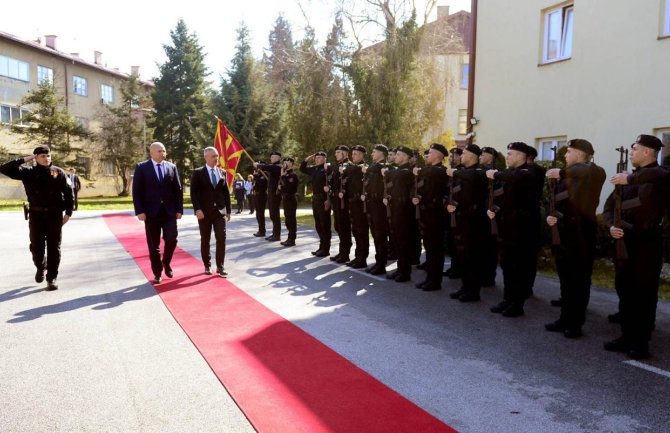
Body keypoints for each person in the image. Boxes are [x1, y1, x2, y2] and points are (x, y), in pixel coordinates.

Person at [603, 134, 670, 359]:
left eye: (635, 149)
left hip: (647, 242)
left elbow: (661, 173)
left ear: (648, 152)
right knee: (625, 290)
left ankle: (641, 343)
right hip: (624, 240)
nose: (631, 153)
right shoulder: (628, 178)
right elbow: (610, 206)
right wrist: (611, 225)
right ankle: (626, 336)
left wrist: (630, 180)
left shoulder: (658, 176)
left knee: (643, 293)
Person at [544, 139, 606, 338]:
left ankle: (575, 323)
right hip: (562, 233)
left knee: (579, 281)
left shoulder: (594, 172)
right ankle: (564, 318)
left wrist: (561, 173)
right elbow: (554, 201)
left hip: (581, 235)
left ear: (581, 154)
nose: (565, 155)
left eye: (569, 152)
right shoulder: (567, 174)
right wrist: (551, 215)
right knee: (566, 280)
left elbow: (587, 172)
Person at [0, 145, 73, 291]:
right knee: (36, 247)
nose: (47, 159)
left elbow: (69, 193)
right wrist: (26, 158)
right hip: (36, 215)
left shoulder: (59, 172)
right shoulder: (28, 173)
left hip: (54, 215)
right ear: (36, 158)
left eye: (48, 156)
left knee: (54, 247)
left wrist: (68, 213)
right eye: (42, 156)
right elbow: (3, 169)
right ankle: (41, 266)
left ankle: (51, 278)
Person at [486, 142, 539, 317]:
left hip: (522, 229)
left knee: (519, 268)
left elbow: (516, 177)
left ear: (521, 156)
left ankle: (517, 304)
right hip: (506, 227)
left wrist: (496, 174)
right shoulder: (508, 175)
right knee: (507, 266)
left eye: (510, 154)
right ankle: (508, 299)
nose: (507, 157)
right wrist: (494, 209)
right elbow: (504, 198)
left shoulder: (528, 172)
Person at [132, 142, 184, 284]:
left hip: (169, 212)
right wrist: (140, 211)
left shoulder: (171, 167)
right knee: (153, 245)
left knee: (172, 238)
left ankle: (166, 262)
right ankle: (157, 272)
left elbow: (177, 190)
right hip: (150, 213)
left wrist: (179, 209)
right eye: (159, 151)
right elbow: (136, 191)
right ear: (152, 153)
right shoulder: (142, 168)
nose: (163, 153)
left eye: (164, 151)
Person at [446, 144, 488, 300]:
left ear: (472, 156)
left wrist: (456, 172)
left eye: (463, 154)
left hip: (473, 221)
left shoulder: (478, 172)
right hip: (460, 219)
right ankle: (465, 287)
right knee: (462, 255)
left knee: (472, 257)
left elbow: (472, 176)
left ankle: (473, 291)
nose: (460, 157)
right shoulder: (462, 173)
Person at [190, 147, 232, 277]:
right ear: (206, 157)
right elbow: (194, 193)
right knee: (205, 239)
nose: (216, 158)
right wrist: (197, 209)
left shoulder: (222, 172)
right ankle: (207, 265)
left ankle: (220, 266)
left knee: (221, 238)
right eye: (213, 156)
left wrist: (228, 210)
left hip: (219, 212)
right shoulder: (198, 173)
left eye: (217, 155)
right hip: (204, 212)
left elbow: (226, 193)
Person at [412, 143, 448, 291]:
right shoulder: (428, 171)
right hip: (426, 213)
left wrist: (418, 171)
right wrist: (418, 197)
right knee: (429, 247)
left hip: (436, 215)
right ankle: (430, 278)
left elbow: (430, 173)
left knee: (435, 249)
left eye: (431, 153)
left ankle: (435, 281)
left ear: (439, 156)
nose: (427, 155)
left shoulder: (440, 171)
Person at [383, 146, 415, 282]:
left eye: (398, 155)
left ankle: (405, 272)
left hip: (404, 211)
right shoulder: (397, 170)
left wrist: (387, 172)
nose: (395, 157)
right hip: (395, 208)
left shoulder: (408, 170)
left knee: (403, 242)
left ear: (405, 157)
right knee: (397, 241)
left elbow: (398, 175)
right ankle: (400, 269)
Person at [362, 144, 390, 275]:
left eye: (374, 152)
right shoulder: (373, 168)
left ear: (381, 153)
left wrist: (367, 169)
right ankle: (378, 262)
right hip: (371, 203)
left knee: (380, 235)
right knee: (375, 234)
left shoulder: (383, 167)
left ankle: (381, 264)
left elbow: (372, 170)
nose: (372, 154)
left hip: (379, 205)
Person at [341, 145, 369, 268]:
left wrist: (346, 169)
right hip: (352, 203)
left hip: (360, 204)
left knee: (362, 231)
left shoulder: (363, 167)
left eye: (356, 154)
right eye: (352, 154)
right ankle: (358, 257)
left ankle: (362, 258)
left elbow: (351, 169)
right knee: (356, 231)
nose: (353, 156)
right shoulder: (352, 168)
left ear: (362, 155)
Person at [300, 151, 332, 257]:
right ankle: (321, 247)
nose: (317, 159)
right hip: (315, 200)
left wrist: (329, 195)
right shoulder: (314, 169)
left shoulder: (327, 169)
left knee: (324, 225)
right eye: (316, 157)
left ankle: (326, 249)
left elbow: (333, 182)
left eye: (320, 158)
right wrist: (308, 158)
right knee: (318, 225)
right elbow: (302, 168)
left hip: (324, 200)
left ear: (324, 159)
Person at [330, 145, 353, 263]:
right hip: (337, 202)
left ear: (344, 153)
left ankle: (345, 254)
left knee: (344, 228)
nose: (336, 154)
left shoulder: (349, 166)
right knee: (338, 227)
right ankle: (341, 252)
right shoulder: (336, 166)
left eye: (338, 152)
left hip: (345, 202)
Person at [255, 152, 282, 241]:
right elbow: (268, 168)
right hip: (271, 193)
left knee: (275, 214)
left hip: (275, 193)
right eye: (271, 157)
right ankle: (274, 234)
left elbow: (267, 167)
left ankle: (277, 235)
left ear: (278, 158)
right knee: (272, 214)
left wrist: (258, 165)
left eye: (273, 157)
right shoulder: (272, 167)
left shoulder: (278, 166)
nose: (271, 158)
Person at [278, 157, 299, 246]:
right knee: (287, 220)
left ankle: (292, 239)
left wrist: (282, 183)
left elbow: (289, 188)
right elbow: (279, 189)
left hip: (291, 198)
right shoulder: (284, 175)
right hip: (285, 199)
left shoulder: (292, 175)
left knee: (291, 220)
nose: (284, 164)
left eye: (287, 162)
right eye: (284, 162)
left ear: (291, 164)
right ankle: (289, 238)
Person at [252, 165, 268, 237]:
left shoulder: (264, 175)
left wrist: (255, 177)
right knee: (258, 214)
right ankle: (260, 230)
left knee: (260, 214)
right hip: (256, 196)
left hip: (261, 196)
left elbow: (262, 184)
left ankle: (262, 231)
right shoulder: (258, 175)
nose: (256, 169)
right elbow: (255, 185)